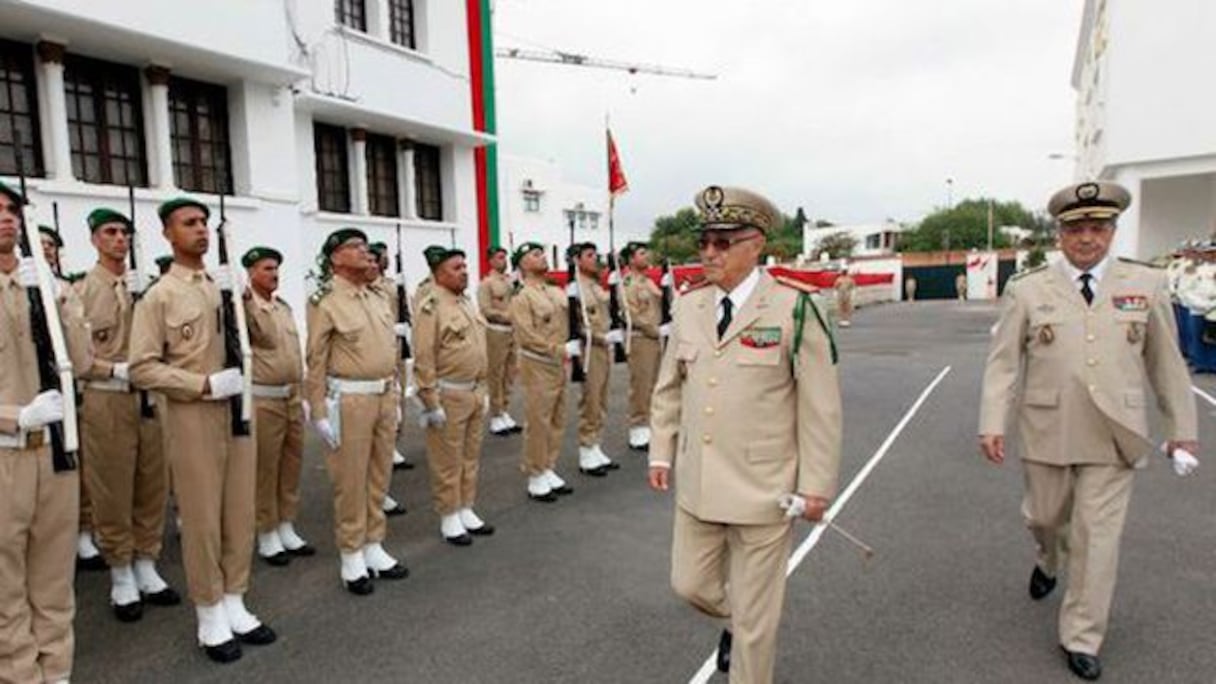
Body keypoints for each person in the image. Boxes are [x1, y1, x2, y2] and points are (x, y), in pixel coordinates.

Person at [979, 181, 1199, 681]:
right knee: (1045, 518)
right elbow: (1004, 363)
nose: (1086, 239)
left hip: (1116, 434)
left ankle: (1081, 635)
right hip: (1047, 427)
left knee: (1097, 540)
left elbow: (1167, 365)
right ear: (1059, 233)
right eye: (1075, 228)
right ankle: (1047, 558)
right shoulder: (1029, 288)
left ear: (1112, 231)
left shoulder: (1145, 284)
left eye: (1097, 228)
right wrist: (992, 421)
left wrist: (1182, 430)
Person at [649, 185, 842, 684]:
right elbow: (669, 387)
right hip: (699, 484)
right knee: (689, 585)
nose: (709, 253)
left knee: (758, 630)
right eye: (704, 242)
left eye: (722, 241)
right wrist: (661, 453)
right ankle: (738, 620)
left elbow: (820, 405)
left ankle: (749, 632)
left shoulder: (795, 307)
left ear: (755, 243)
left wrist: (817, 485)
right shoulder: (690, 305)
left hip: (765, 489)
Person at [129, 196, 276, 663]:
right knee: (202, 518)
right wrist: (201, 383)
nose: (201, 230)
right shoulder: (160, 295)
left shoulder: (225, 284)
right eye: (189, 223)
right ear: (169, 234)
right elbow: (141, 368)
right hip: (194, 412)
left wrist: (245, 296)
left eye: (205, 222)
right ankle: (209, 612)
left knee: (238, 509)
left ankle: (236, 598)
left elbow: (265, 340)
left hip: (239, 407)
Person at [0, 181, 94, 683]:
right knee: (5, 589)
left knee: (54, 580)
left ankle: (56, 673)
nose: (6, 218)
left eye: (11, 210)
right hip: (5, 454)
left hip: (56, 453)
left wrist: (56, 302)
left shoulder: (49, 287)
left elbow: (80, 362)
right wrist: (15, 416)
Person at [76, 207, 178, 622]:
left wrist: (147, 301)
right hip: (108, 396)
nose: (119, 239)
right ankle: (120, 570)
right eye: (110, 232)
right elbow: (77, 356)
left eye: (125, 233)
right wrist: (115, 368)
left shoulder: (149, 289)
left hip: (150, 397)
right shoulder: (80, 291)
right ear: (95, 239)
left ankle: (146, 562)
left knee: (152, 483)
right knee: (112, 487)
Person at [306, 228, 409, 596]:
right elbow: (315, 358)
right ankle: (351, 554)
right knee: (350, 480)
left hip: (382, 395)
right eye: (356, 247)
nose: (366, 252)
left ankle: (374, 545)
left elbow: (390, 352)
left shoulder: (377, 296)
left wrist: (395, 394)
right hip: (349, 400)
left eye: (367, 247)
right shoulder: (325, 300)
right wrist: (318, 409)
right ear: (335, 258)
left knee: (380, 475)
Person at [412, 246, 494, 545]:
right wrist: (430, 402)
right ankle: (449, 515)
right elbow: (424, 358)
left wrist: (483, 390)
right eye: (456, 268)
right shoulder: (431, 306)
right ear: (438, 273)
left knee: (470, 456)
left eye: (464, 266)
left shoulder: (465, 302)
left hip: (473, 391)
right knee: (447, 459)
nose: (464, 271)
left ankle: (466, 507)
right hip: (449, 394)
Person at [241, 246, 314, 566]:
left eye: (276, 268)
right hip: (264, 398)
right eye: (267, 269)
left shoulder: (281, 307)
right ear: (251, 272)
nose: (274, 274)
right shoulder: (245, 306)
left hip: (292, 396)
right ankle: (267, 531)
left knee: (291, 465)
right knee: (265, 468)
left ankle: (286, 524)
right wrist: (239, 296)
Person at [509, 242, 576, 502]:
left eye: (542, 253)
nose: (542, 257)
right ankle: (535, 473)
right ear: (523, 264)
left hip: (558, 362)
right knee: (539, 420)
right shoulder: (521, 295)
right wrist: (558, 349)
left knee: (557, 417)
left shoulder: (555, 291)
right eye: (535, 255)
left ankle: (549, 466)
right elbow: (526, 336)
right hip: (538, 363)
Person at [360, 245, 408, 517]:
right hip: (359, 384)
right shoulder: (332, 299)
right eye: (370, 259)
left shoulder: (382, 292)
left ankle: (379, 493)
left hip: (388, 365)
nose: (377, 263)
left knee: (381, 444)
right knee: (363, 449)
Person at [570, 242, 621, 476]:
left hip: (603, 348)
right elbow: (576, 324)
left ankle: (596, 445)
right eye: (589, 256)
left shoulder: (595, 286)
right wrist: (600, 337)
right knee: (590, 400)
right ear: (577, 260)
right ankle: (586, 450)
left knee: (601, 399)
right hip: (588, 349)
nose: (595, 259)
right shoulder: (575, 289)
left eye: (595, 255)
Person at [369, 241, 416, 476]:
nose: (386, 260)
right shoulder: (371, 286)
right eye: (383, 256)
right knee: (388, 398)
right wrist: (391, 329)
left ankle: (395, 442)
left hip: (398, 345)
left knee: (400, 396)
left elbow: (406, 309)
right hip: (383, 345)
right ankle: (383, 449)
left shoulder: (392, 283)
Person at [621, 241, 663, 450]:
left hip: (655, 338)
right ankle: (638, 428)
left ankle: (651, 425)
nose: (646, 256)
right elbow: (632, 315)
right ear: (631, 259)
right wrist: (654, 330)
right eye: (641, 253)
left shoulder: (648, 281)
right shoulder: (628, 283)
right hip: (641, 338)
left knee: (656, 384)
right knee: (641, 385)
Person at [477, 246, 521, 436]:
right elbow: (486, 310)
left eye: (505, 257)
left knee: (509, 374)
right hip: (496, 331)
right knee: (496, 373)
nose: (504, 261)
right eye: (500, 257)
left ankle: (504, 410)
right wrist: (506, 316)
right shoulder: (486, 284)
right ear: (491, 260)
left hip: (513, 332)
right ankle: (496, 414)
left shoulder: (511, 282)